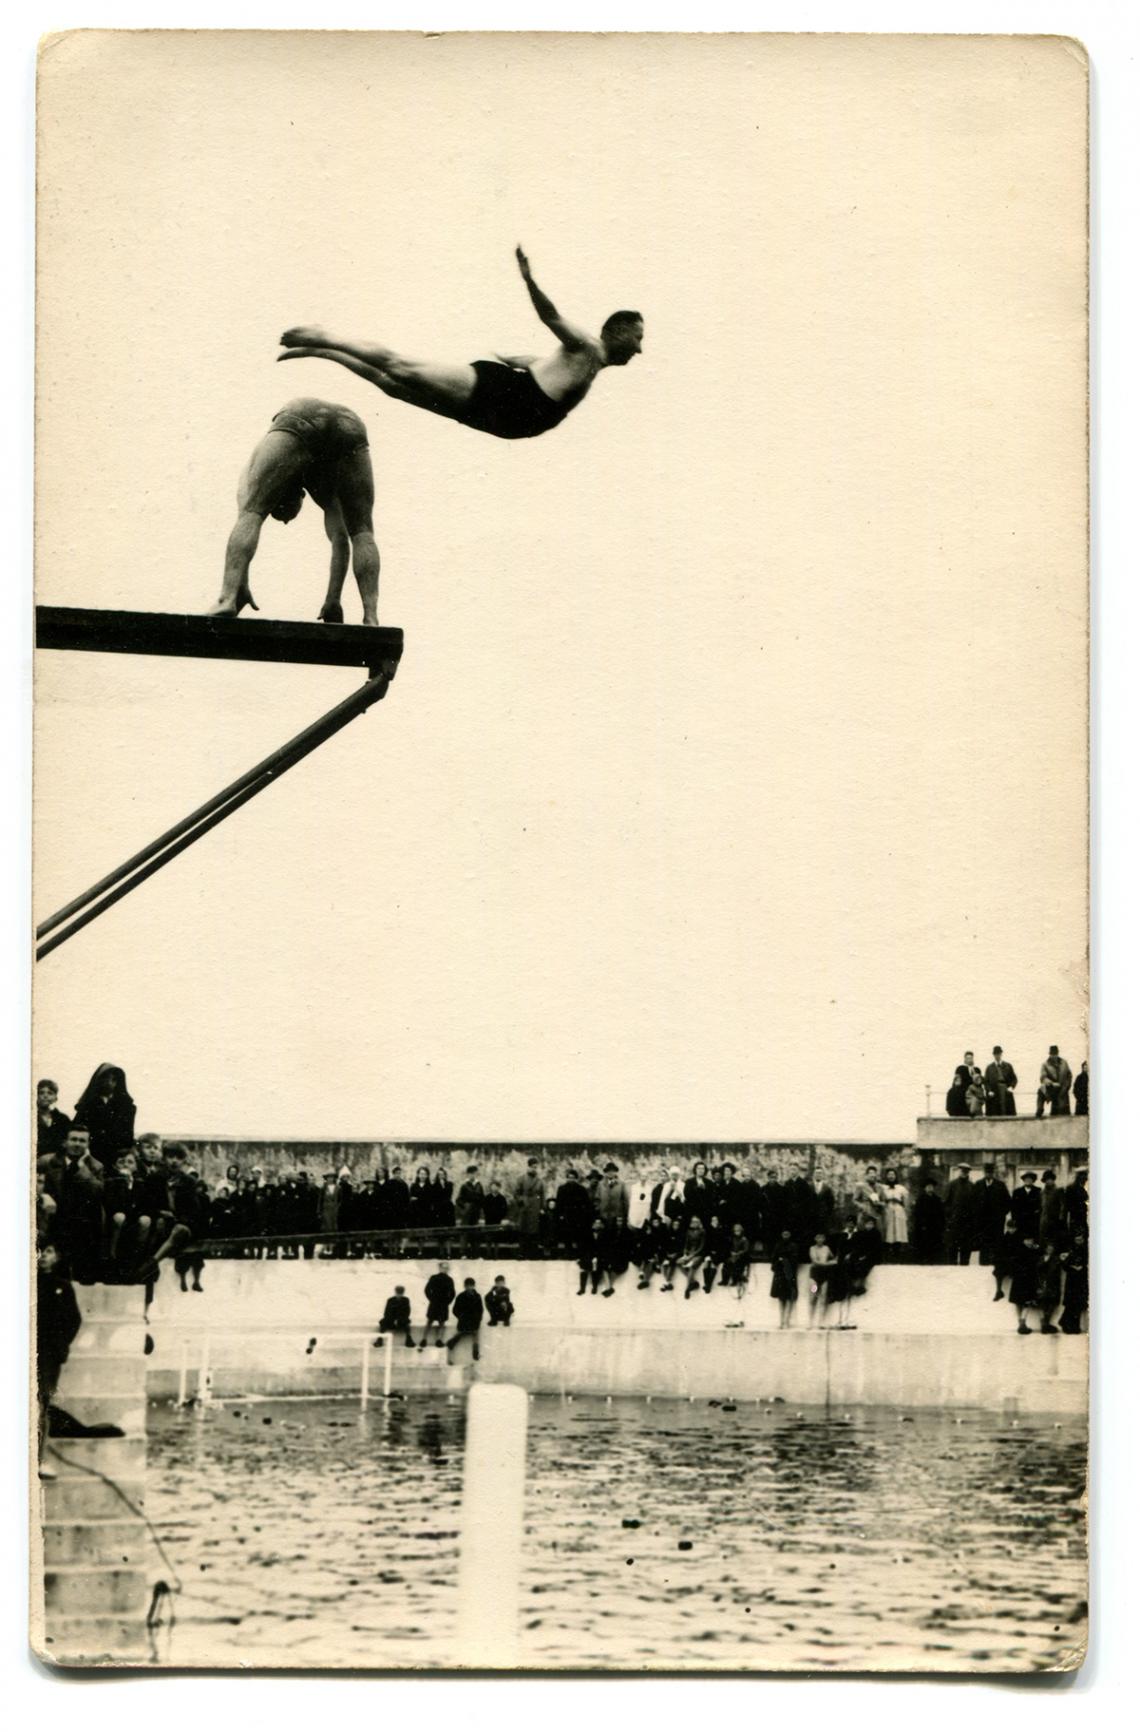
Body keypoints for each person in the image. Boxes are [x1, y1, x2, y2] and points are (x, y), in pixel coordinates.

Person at [278, 246, 643, 444]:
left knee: (394, 387)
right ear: (618, 330)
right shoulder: (588, 347)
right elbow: (550, 316)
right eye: (637, 337)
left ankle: (323, 351)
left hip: (505, 418)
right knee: (400, 368)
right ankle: (325, 335)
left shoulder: (589, 364)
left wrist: (514, 357)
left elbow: (541, 364)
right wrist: (530, 280)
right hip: (504, 398)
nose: (639, 349)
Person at [208, 398, 381, 624]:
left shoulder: (254, 479)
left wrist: (237, 588)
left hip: (299, 415)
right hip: (350, 424)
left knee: (252, 513)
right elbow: (340, 538)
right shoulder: (323, 487)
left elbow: (245, 519)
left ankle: (225, 600)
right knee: (362, 532)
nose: (287, 521)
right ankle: (371, 617)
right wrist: (333, 600)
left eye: (282, 515)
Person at [36, 1242, 82, 1478]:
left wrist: (59, 1346)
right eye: (37, 1250)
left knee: (41, 1406)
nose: (42, 1255)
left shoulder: (62, 1287)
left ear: (57, 1256)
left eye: (48, 1251)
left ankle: (38, 1461)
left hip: (47, 1357)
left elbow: (73, 1321)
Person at [71, 1063, 136, 1169]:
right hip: (92, 1156)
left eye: (114, 1079)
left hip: (117, 1158)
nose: (110, 1083)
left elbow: (128, 1135)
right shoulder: (87, 1105)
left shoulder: (127, 1107)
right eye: (106, 1078)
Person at [973, 1163, 1012, 1267]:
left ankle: (996, 1268)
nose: (988, 1174)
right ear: (984, 1172)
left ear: (993, 1173)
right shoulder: (978, 1185)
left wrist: (1000, 1214)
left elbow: (1008, 1202)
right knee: (984, 1247)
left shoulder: (1000, 1185)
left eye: (990, 1172)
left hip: (996, 1223)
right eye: (987, 1172)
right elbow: (973, 1203)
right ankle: (983, 1268)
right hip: (982, 1224)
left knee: (996, 1247)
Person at [943, 1164, 975, 1266]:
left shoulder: (972, 1186)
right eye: (962, 1170)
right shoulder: (952, 1185)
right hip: (954, 1224)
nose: (964, 1173)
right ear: (959, 1171)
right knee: (952, 1250)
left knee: (965, 1252)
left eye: (966, 1171)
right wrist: (950, 1217)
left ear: (968, 1172)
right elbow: (945, 1203)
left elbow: (975, 1205)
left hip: (967, 1225)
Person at [419, 1262, 456, 1349]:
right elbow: (427, 1290)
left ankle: (439, 1340)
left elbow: (452, 1293)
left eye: (447, 1268)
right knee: (429, 1321)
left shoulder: (449, 1280)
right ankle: (424, 1339)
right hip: (434, 1303)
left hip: (443, 1304)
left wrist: (448, 1301)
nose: (445, 1269)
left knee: (442, 1323)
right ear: (439, 1268)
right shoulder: (434, 1278)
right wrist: (431, 1299)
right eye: (443, 1268)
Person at [448, 1278, 485, 1361]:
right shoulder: (460, 1296)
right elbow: (455, 1310)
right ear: (464, 1286)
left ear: (473, 1286)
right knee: (460, 1333)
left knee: (475, 1335)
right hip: (464, 1321)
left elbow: (481, 1310)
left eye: (471, 1286)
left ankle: (475, 1353)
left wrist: (478, 1319)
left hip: (474, 1321)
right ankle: (451, 1344)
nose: (469, 1288)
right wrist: (461, 1316)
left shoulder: (477, 1296)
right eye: (467, 1286)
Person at [769, 1229, 799, 1328]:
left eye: (787, 1233)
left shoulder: (793, 1246)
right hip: (780, 1273)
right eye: (784, 1234)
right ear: (781, 1235)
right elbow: (774, 1258)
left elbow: (795, 1259)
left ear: (790, 1234)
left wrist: (784, 1259)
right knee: (781, 1298)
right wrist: (779, 1261)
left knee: (790, 1297)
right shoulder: (778, 1245)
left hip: (789, 1273)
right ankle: (781, 1321)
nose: (785, 1235)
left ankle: (787, 1321)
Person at [35, 1079, 72, 1158]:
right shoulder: (31, 1117)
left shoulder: (63, 1119)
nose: (45, 1096)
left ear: (55, 1097)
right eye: (41, 1093)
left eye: (50, 1093)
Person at [912, 1179, 946, 1264]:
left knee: (934, 1250)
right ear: (925, 1188)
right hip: (924, 1228)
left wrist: (941, 1226)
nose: (930, 1188)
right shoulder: (920, 1199)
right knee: (923, 1248)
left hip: (935, 1228)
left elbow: (941, 1214)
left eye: (931, 1186)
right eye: (928, 1186)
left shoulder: (937, 1199)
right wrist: (921, 1225)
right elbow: (917, 1214)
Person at [1036, 1046, 1073, 1118]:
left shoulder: (1064, 1063)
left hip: (1063, 1090)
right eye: (1052, 1054)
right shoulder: (1045, 1064)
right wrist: (1051, 1083)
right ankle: (1039, 1109)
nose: (1054, 1056)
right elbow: (1043, 1077)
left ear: (1058, 1054)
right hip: (1052, 1089)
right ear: (1049, 1054)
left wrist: (1066, 1087)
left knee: (1063, 1115)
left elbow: (1069, 1075)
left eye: (1055, 1054)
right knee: (1041, 1090)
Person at [807, 1233, 835, 1325]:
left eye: (822, 1237)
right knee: (813, 1297)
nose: (820, 1239)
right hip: (814, 1276)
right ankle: (810, 1322)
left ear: (824, 1239)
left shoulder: (827, 1248)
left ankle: (821, 1322)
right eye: (818, 1237)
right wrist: (829, 1264)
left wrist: (832, 1262)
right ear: (815, 1238)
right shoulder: (812, 1248)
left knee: (823, 1298)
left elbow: (833, 1258)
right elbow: (815, 1261)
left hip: (824, 1276)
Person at [375, 1284, 415, 1348]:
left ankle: (409, 1340)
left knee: (407, 1323)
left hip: (401, 1320)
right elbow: (386, 1312)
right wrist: (393, 1320)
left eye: (400, 1293)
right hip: (391, 1320)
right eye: (398, 1293)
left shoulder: (406, 1300)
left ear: (403, 1293)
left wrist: (399, 1319)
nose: (399, 1294)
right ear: (395, 1292)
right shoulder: (390, 1300)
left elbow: (407, 1312)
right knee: (383, 1322)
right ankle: (379, 1340)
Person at [984, 1046, 1018, 1116]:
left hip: (1006, 1090)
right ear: (993, 1055)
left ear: (1001, 1054)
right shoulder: (989, 1068)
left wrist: (1011, 1087)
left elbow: (1014, 1079)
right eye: (996, 1054)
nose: (997, 1056)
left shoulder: (1008, 1066)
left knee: (1007, 1109)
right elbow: (986, 1081)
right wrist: (989, 1090)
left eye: (999, 1054)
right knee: (995, 1111)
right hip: (994, 1091)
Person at [946, 1052, 975, 1117]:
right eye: (968, 1058)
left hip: (972, 1092)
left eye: (971, 1058)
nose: (969, 1060)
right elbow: (956, 1080)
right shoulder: (960, 1068)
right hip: (962, 1090)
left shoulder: (976, 1069)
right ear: (964, 1059)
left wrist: (973, 1070)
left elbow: (978, 1081)